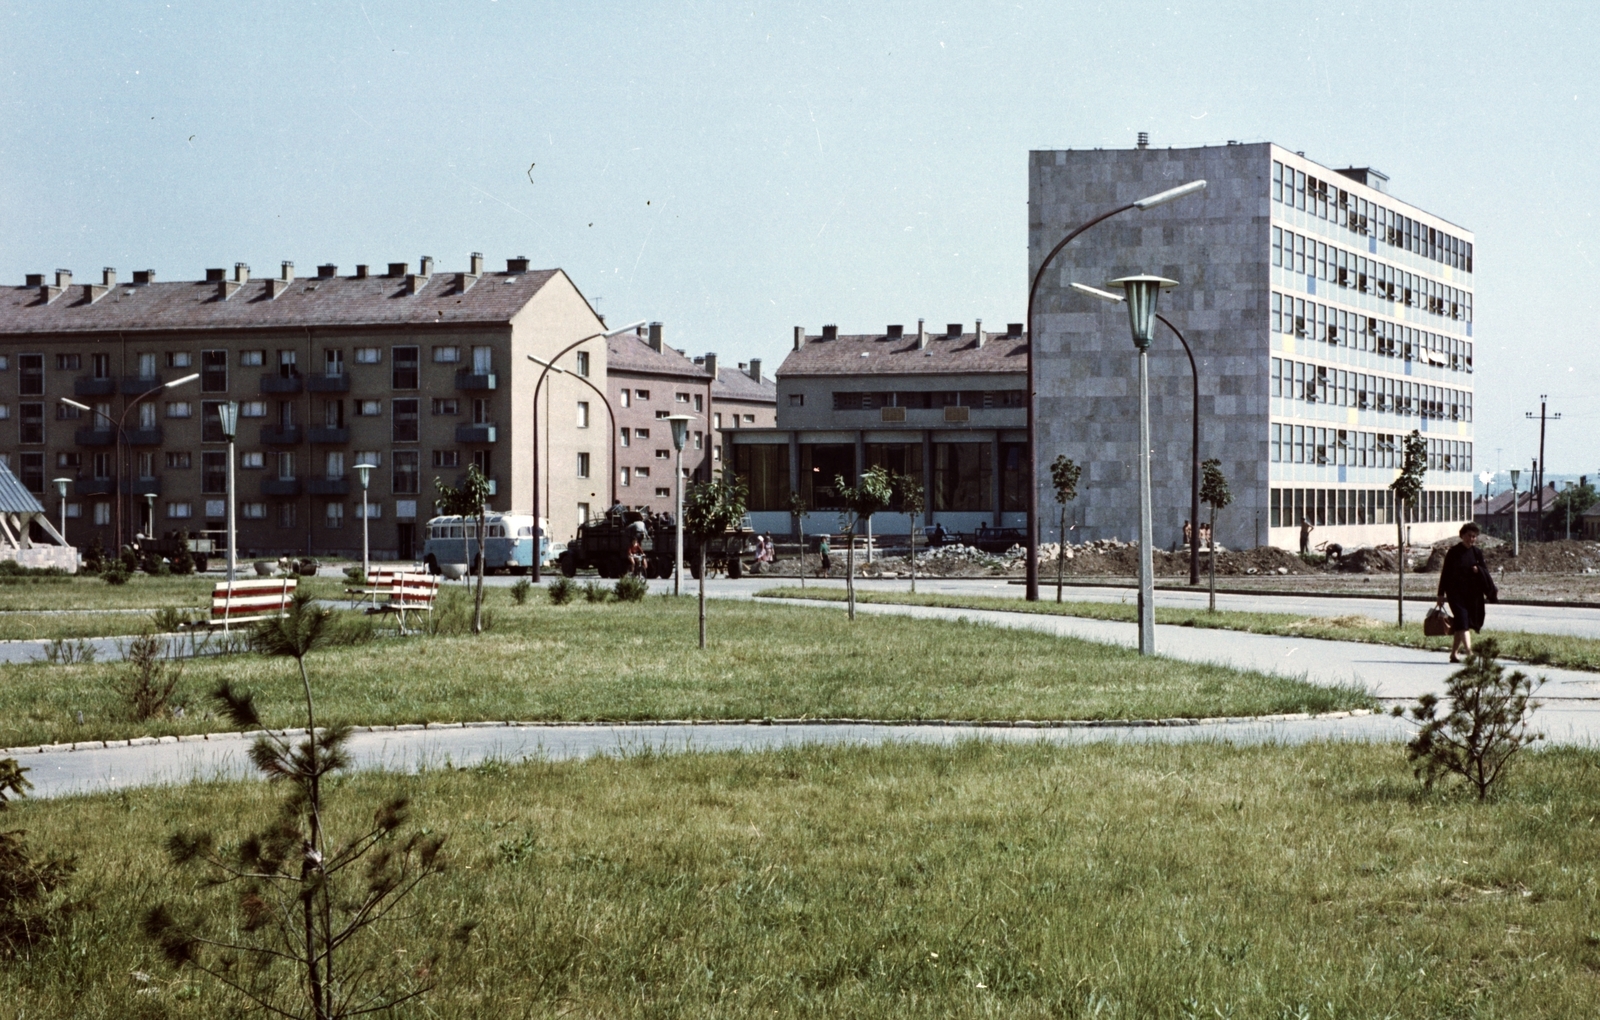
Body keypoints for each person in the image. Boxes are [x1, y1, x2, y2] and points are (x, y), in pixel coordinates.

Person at [1437, 521, 1498, 663]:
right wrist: (1441, 594)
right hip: (1455, 593)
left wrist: (1478, 570)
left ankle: (1454, 653)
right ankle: (1470, 652)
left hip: (1472, 594)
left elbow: (1485, 572)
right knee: (1463, 620)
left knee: (1461, 623)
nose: (1472, 539)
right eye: (1469, 536)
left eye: (1474, 536)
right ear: (1462, 535)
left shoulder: (1477, 553)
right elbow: (1445, 574)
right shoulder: (1453, 552)